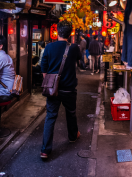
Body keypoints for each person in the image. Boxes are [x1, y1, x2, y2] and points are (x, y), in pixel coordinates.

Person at [40, 20, 82, 159]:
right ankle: (72, 136)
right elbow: (79, 61)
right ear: (70, 34)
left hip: (53, 90)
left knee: (50, 116)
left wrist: (51, 83)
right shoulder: (74, 48)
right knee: (71, 113)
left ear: (57, 31)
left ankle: (45, 150)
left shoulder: (49, 47)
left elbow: (44, 69)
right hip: (69, 89)